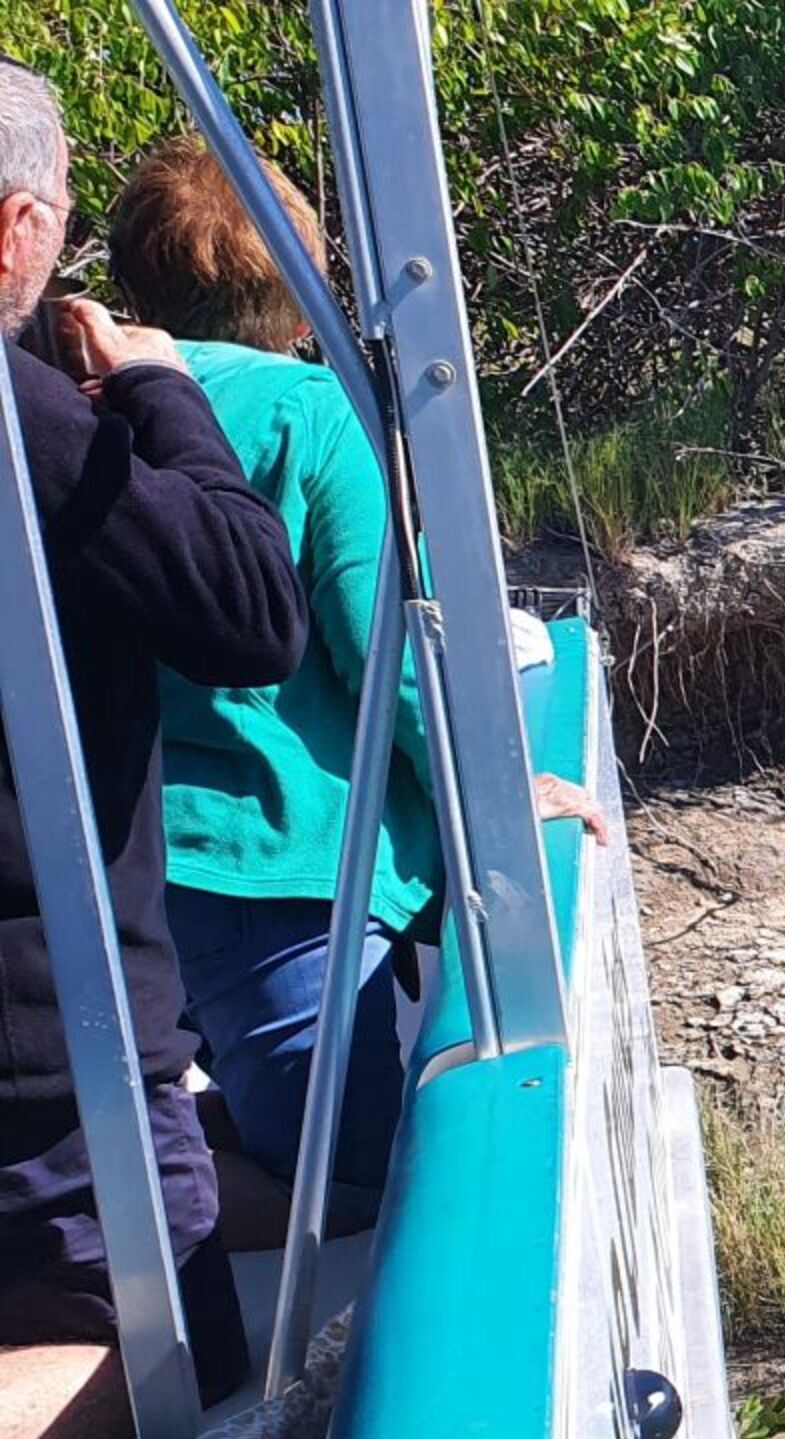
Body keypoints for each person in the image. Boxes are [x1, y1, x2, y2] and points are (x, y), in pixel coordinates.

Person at [0, 61, 311, 1439]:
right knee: (185, 1359)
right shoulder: (35, 428)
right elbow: (253, 610)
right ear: (17, 232)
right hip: (53, 1051)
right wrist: (161, 396)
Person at [110, 138, 436, 1225]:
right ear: (301, 302)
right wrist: (491, 791)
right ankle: (162, 1213)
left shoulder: (86, 409)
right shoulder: (311, 410)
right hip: (285, 874)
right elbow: (381, 645)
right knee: (358, 1190)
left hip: (142, 863)